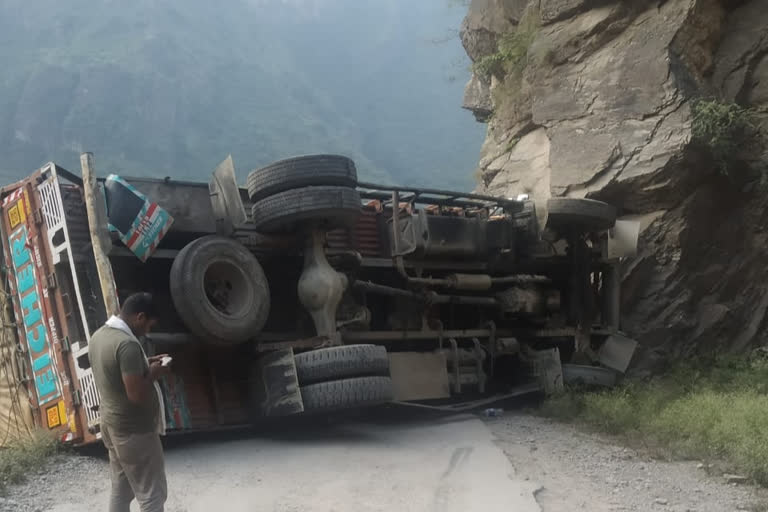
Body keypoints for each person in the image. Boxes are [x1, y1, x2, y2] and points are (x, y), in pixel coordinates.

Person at [89, 292, 171, 512]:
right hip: (134, 432)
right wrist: (154, 373)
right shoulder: (128, 345)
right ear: (140, 317)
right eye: (149, 326)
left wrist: (145, 363)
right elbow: (135, 395)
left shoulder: (99, 336)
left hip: (112, 427)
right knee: (152, 495)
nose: (147, 331)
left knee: (122, 491)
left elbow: (116, 373)